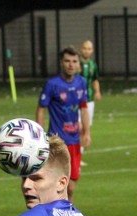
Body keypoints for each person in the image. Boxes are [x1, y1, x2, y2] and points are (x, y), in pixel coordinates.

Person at [37, 47, 90, 201]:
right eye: (67, 61)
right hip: (56, 141)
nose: (71, 65)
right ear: (61, 62)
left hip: (74, 141)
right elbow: (41, 110)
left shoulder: (81, 82)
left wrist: (86, 132)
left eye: (74, 61)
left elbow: (84, 108)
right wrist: (40, 135)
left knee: (71, 186)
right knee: (56, 185)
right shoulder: (52, 84)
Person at [78, 40, 101, 136]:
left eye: (89, 49)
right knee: (78, 124)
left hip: (89, 98)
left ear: (92, 50)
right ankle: (78, 147)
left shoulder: (93, 65)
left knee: (87, 125)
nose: (86, 51)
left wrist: (97, 91)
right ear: (81, 49)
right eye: (84, 48)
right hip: (77, 98)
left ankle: (82, 147)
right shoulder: (76, 63)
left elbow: (95, 79)